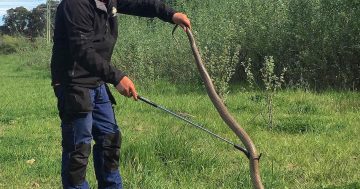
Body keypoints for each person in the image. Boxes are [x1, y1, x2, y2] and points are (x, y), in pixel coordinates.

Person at [51, 0, 191, 188]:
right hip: (73, 83)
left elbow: (142, 4)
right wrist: (117, 78)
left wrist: (171, 14)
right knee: (78, 150)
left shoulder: (109, 1)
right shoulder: (75, 4)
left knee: (110, 141)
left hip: (97, 81)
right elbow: (81, 50)